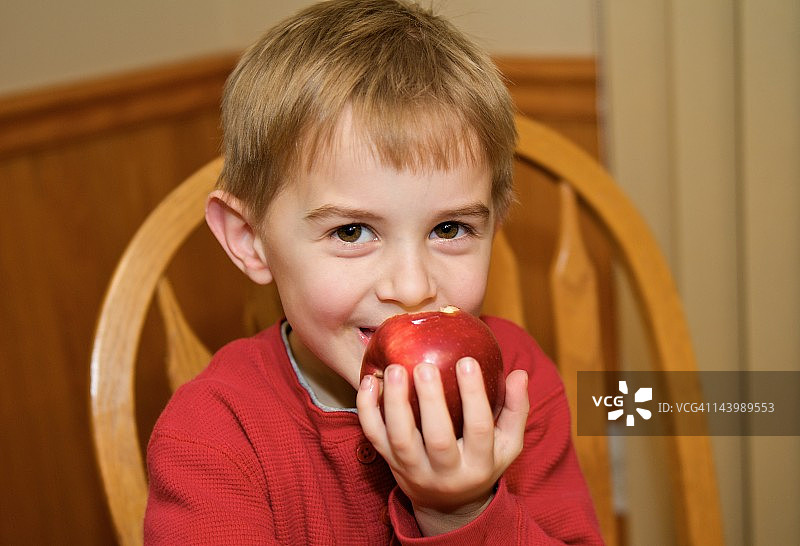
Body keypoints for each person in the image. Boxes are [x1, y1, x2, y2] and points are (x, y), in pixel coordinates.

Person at [144, 0, 603, 543]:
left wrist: (462, 514)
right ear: (251, 241)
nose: (412, 289)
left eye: (450, 229)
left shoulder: (514, 386)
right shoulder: (214, 437)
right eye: (351, 232)